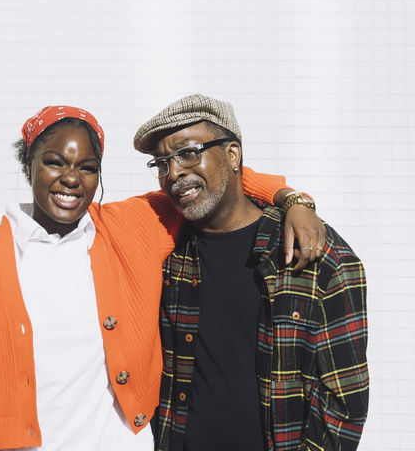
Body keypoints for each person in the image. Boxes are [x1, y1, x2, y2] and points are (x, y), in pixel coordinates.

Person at [0, 103, 326, 451]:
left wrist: (290, 198)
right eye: (54, 161)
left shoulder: (129, 228)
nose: (71, 178)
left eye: (87, 167)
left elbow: (215, 177)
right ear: (27, 164)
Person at [133, 93, 369, 451]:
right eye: (162, 162)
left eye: (188, 152)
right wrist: (291, 196)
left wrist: (294, 202)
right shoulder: (168, 251)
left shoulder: (315, 252)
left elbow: (344, 403)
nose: (174, 172)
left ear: (232, 154)